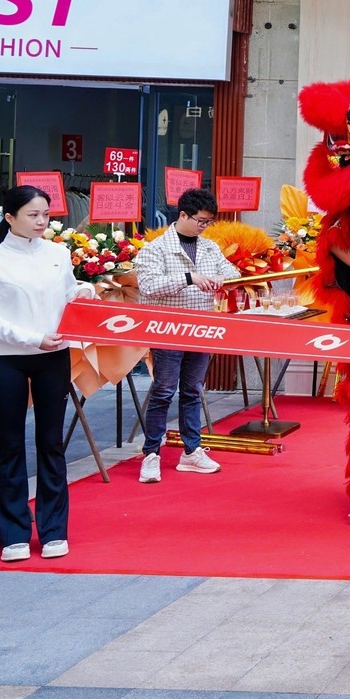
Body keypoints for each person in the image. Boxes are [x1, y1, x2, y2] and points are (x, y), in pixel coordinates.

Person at [0, 186, 98, 561]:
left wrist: (85, 293)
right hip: (7, 358)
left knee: (51, 442)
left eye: (46, 215)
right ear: (9, 218)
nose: (42, 222)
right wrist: (31, 338)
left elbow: (68, 294)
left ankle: (54, 530)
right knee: (10, 444)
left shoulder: (58, 253)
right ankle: (13, 534)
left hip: (53, 356)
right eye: (33, 215)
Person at [132, 188, 239, 483]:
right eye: (200, 221)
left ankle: (192, 451)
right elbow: (149, 286)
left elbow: (234, 273)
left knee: (193, 390)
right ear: (182, 215)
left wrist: (223, 279)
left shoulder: (210, 247)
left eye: (208, 222)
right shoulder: (156, 248)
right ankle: (151, 454)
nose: (204, 226)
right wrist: (189, 278)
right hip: (169, 329)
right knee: (164, 391)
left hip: (201, 329)